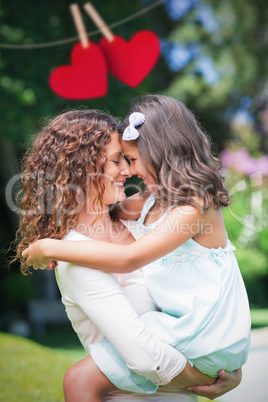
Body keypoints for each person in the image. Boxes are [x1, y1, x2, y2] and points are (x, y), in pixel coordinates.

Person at [22, 96, 249, 400]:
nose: (129, 170)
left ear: (159, 152)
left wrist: (50, 247)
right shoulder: (142, 208)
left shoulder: (184, 205)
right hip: (155, 374)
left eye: (130, 159)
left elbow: (128, 257)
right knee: (79, 380)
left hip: (197, 338)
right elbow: (146, 356)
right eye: (119, 160)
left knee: (80, 378)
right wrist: (57, 244)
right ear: (83, 167)